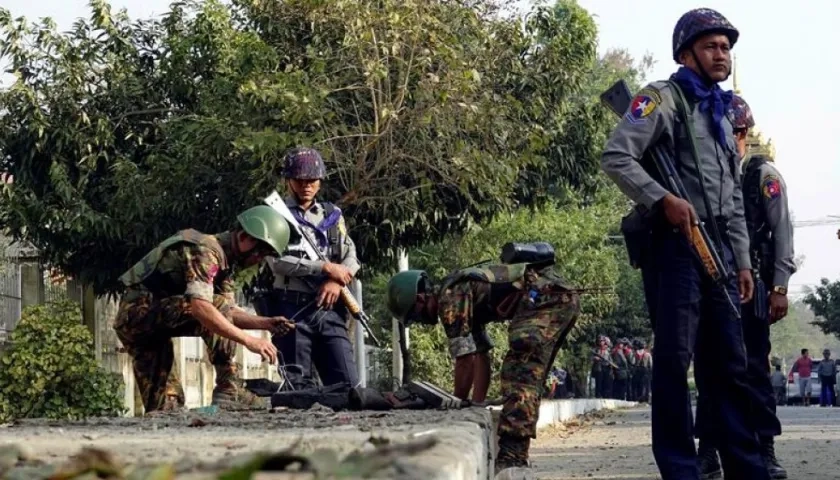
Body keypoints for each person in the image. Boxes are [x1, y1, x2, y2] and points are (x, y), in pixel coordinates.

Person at [600, 8, 770, 479]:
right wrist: (662, 200)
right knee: (675, 360)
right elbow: (616, 156)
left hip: (717, 246)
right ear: (686, 53)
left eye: (727, 48)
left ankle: (746, 466)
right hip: (674, 244)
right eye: (713, 47)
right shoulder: (663, 98)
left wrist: (743, 262)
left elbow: (732, 197)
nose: (723, 55)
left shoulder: (721, 112)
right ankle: (681, 469)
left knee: (730, 364)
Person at [385, 258, 580, 473]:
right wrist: (476, 404)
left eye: (415, 315)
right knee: (530, 374)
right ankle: (514, 453)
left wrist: (456, 405)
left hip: (547, 299)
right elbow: (480, 354)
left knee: (520, 371)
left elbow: (465, 359)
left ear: (420, 299)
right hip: (559, 298)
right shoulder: (464, 295)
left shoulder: (449, 298)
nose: (421, 321)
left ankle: (512, 457)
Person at [114, 205, 295, 413]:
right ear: (245, 237)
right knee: (215, 306)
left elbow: (229, 313)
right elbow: (201, 307)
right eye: (261, 253)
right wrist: (249, 340)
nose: (259, 260)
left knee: (166, 408)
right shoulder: (207, 250)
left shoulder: (225, 263)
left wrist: (265, 323)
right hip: (137, 315)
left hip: (151, 324)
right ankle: (229, 388)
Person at [696, 95, 793, 479]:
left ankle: (764, 448)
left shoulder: (763, 176)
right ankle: (708, 451)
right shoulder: (704, 174)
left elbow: (782, 232)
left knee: (753, 368)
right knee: (708, 370)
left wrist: (780, 288)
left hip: (752, 288)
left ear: (741, 134)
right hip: (710, 283)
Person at [253, 147, 361, 391]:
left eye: (312, 180)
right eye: (300, 181)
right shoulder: (274, 215)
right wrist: (323, 267)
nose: (306, 186)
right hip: (291, 310)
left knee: (349, 387)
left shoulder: (332, 215)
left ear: (320, 182)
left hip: (329, 309)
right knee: (298, 389)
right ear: (288, 181)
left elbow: (351, 256)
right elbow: (277, 261)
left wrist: (337, 281)